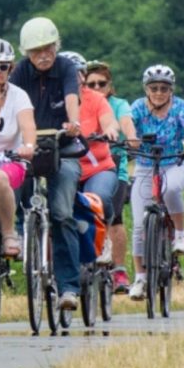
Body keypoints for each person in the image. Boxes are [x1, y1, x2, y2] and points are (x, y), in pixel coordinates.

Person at [9, 17, 84, 310]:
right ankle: (15, 231)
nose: (43, 55)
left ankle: (69, 287)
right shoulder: (19, 72)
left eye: (48, 48)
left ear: (56, 46)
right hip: (28, 150)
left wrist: (74, 122)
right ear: (27, 52)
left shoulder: (66, 67)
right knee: (8, 183)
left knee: (62, 213)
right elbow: (10, 101)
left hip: (62, 149)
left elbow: (71, 97)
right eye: (36, 50)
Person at [127, 65, 184, 299]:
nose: (159, 92)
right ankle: (140, 278)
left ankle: (179, 234)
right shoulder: (138, 106)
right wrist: (131, 139)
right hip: (146, 166)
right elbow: (128, 123)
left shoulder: (179, 106)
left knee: (169, 189)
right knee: (139, 225)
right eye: (154, 88)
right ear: (146, 89)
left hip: (175, 164)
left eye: (164, 88)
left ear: (171, 90)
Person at [0, 37, 36, 258]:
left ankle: (9, 232)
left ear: (11, 68)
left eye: (2, 66)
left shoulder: (18, 95)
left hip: (8, 161)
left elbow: (28, 125)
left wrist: (28, 146)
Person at [58, 51, 120, 264]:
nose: (73, 78)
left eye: (77, 74)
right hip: (63, 167)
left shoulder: (95, 99)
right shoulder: (52, 97)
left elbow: (109, 120)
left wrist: (110, 129)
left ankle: (104, 240)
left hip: (97, 167)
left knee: (99, 197)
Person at [83, 59, 138, 294]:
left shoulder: (118, 104)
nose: (97, 89)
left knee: (114, 219)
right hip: (82, 166)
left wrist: (131, 136)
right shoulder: (80, 103)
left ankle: (119, 270)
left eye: (101, 83)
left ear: (110, 85)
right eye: (91, 84)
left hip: (114, 167)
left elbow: (125, 122)